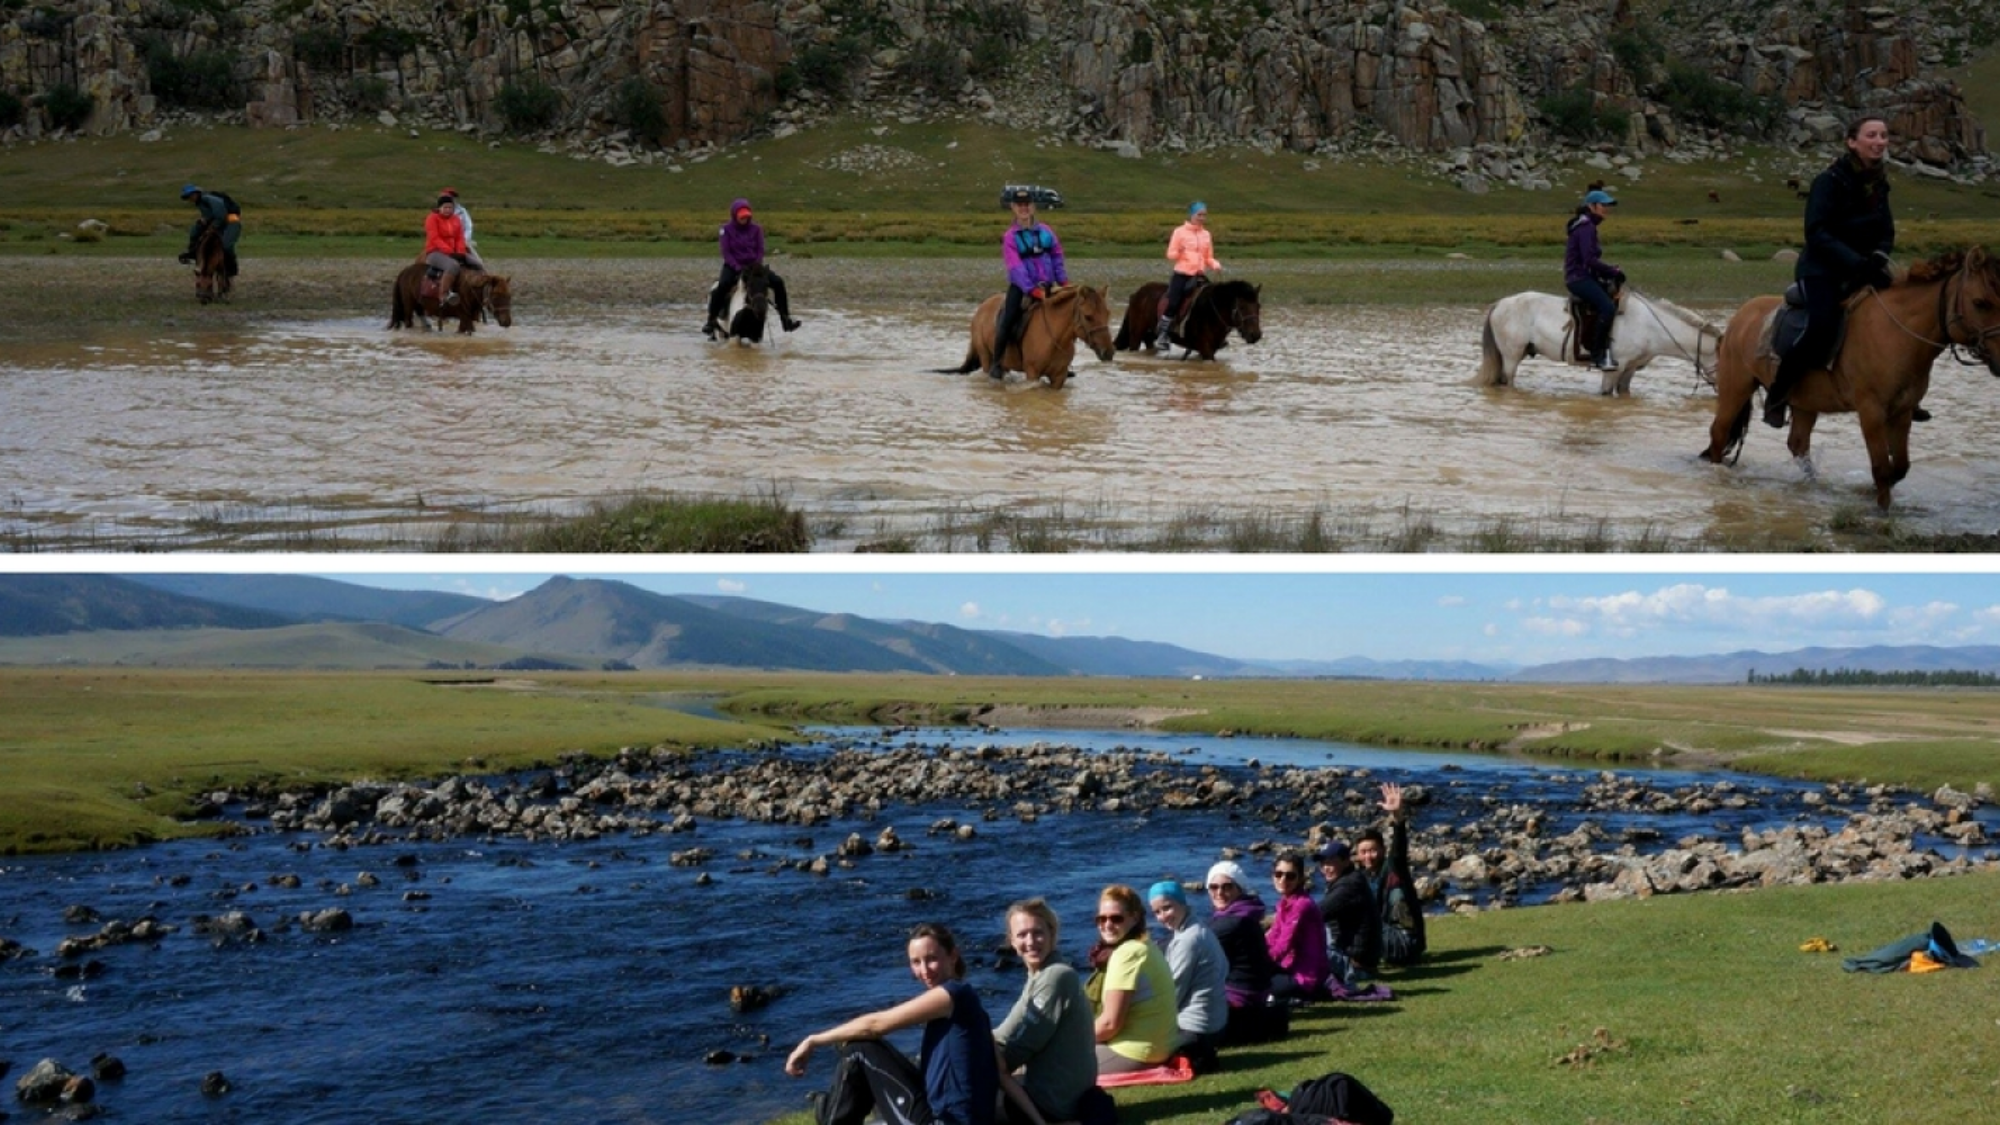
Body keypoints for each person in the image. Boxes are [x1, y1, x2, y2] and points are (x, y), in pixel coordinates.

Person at [787, 922, 1001, 1125]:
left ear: (953, 956)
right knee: (865, 1048)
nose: (924, 970)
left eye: (931, 958)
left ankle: (829, 1115)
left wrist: (813, 1041)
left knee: (859, 1050)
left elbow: (875, 1025)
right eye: (916, 962)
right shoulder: (970, 1004)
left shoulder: (953, 995)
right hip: (950, 1115)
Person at [1764, 114, 1897, 429]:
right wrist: (1854, 262)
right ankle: (1778, 393)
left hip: (1864, 266)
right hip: (1821, 270)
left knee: (1904, 313)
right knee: (1821, 326)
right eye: (1872, 135)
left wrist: (1879, 256)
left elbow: (1887, 229)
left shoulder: (1880, 183)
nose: (1880, 141)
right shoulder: (1829, 181)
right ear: (1852, 142)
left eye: (1884, 135)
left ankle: (1898, 393)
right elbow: (1817, 232)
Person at [993, 899, 1096, 1124]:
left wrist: (983, 1063)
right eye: (1021, 935)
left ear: (1052, 933)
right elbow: (1007, 1031)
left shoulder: (1055, 977)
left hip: (1053, 1105)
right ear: (1011, 940)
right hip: (1058, 1096)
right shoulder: (1040, 975)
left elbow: (1022, 1046)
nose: (1030, 941)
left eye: (1037, 932)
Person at [1083, 884, 1177, 1074]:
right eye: (1101, 918)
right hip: (1158, 1046)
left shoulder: (1126, 954)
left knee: (1048, 1066)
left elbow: (1110, 1024)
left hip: (1134, 1052)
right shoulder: (1145, 944)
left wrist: (1068, 1040)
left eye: (1116, 918)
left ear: (1134, 917)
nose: (1107, 924)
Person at [990, 186, 1069, 379]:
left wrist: (1063, 282)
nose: (1024, 208)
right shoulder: (1010, 237)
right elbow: (1015, 267)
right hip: (1022, 288)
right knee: (1007, 320)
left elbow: (1057, 256)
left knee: (1066, 320)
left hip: (1049, 285)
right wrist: (1032, 290)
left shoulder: (1047, 232)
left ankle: (1063, 362)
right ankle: (997, 362)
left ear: (1033, 207)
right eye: (1020, 205)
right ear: (1013, 208)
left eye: (1027, 205)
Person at [1147, 880, 1227, 1060]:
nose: (1162, 916)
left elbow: (1172, 993)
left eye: (1167, 908)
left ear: (1182, 903)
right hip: (1214, 1024)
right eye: (1157, 912)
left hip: (1195, 1029)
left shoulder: (1188, 940)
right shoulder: (1199, 928)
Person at [704, 198, 801, 339]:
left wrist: (756, 265)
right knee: (722, 285)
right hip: (733, 265)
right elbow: (726, 253)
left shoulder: (756, 229)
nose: (744, 219)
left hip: (754, 266)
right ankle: (711, 321)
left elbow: (760, 250)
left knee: (778, 282)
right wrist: (737, 267)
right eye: (742, 216)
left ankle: (785, 319)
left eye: (747, 216)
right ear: (735, 215)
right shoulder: (725, 230)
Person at [1354, 782, 1427, 967]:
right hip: (1385, 939)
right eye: (1363, 852)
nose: (1368, 856)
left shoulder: (1393, 868)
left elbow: (1398, 850)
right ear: (1357, 855)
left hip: (1404, 940)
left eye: (1372, 850)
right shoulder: (1360, 877)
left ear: (1382, 850)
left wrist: (1397, 816)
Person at [1563, 187, 1625, 372]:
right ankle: (1598, 355)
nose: (1606, 208)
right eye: (1603, 205)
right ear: (1592, 206)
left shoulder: (1587, 225)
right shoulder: (1586, 227)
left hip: (1583, 275)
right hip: (1578, 278)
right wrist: (1612, 271)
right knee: (1606, 307)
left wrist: (1610, 271)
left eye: (1608, 205)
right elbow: (1589, 259)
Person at [1262, 852, 1329, 1000]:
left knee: (1252, 984)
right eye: (1278, 874)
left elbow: (1283, 946)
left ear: (1300, 878)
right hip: (1291, 969)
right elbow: (1274, 936)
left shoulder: (1301, 906)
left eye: (1290, 876)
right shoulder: (1285, 903)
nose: (1283, 879)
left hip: (1305, 978)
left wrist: (1259, 961)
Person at [1156, 201, 1221, 350]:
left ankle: (1211, 335)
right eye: (1199, 215)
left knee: (1211, 301)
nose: (1202, 218)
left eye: (1204, 215)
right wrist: (1179, 252)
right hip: (1182, 274)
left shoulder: (1206, 234)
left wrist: (1215, 264)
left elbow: (1208, 257)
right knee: (1173, 302)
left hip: (1199, 276)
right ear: (1192, 215)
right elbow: (1170, 254)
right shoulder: (1179, 232)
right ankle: (1163, 334)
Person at [1315, 839, 1381, 985]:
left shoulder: (1349, 886)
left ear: (1346, 862)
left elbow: (1316, 914)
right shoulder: (1349, 879)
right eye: (1323, 863)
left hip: (1355, 967)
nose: (1326, 867)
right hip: (1356, 959)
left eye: (1331, 862)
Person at [177, 184, 241, 279]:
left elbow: (220, 215)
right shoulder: (199, 203)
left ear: (197, 193)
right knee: (195, 231)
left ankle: (231, 269)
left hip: (231, 222)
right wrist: (204, 220)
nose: (190, 198)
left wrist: (213, 226)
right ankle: (193, 252)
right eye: (188, 197)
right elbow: (209, 215)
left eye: (191, 195)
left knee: (226, 245)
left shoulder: (209, 199)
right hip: (216, 222)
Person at [422, 193, 475, 306]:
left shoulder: (456, 219)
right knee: (453, 266)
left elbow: (460, 237)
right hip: (435, 252)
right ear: (439, 208)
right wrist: (449, 251)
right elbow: (434, 238)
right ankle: (444, 295)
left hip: (454, 252)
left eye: (450, 207)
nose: (448, 210)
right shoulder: (432, 219)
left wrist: (460, 251)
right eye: (445, 207)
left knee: (477, 263)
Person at [439, 188, 486, 271]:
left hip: (462, 241)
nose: (452, 199)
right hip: (443, 242)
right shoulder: (439, 212)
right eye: (449, 197)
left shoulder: (462, 211)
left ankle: (483, 277)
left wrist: (464, 240)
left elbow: (469, 226)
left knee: (478, 262)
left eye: (453, 197)